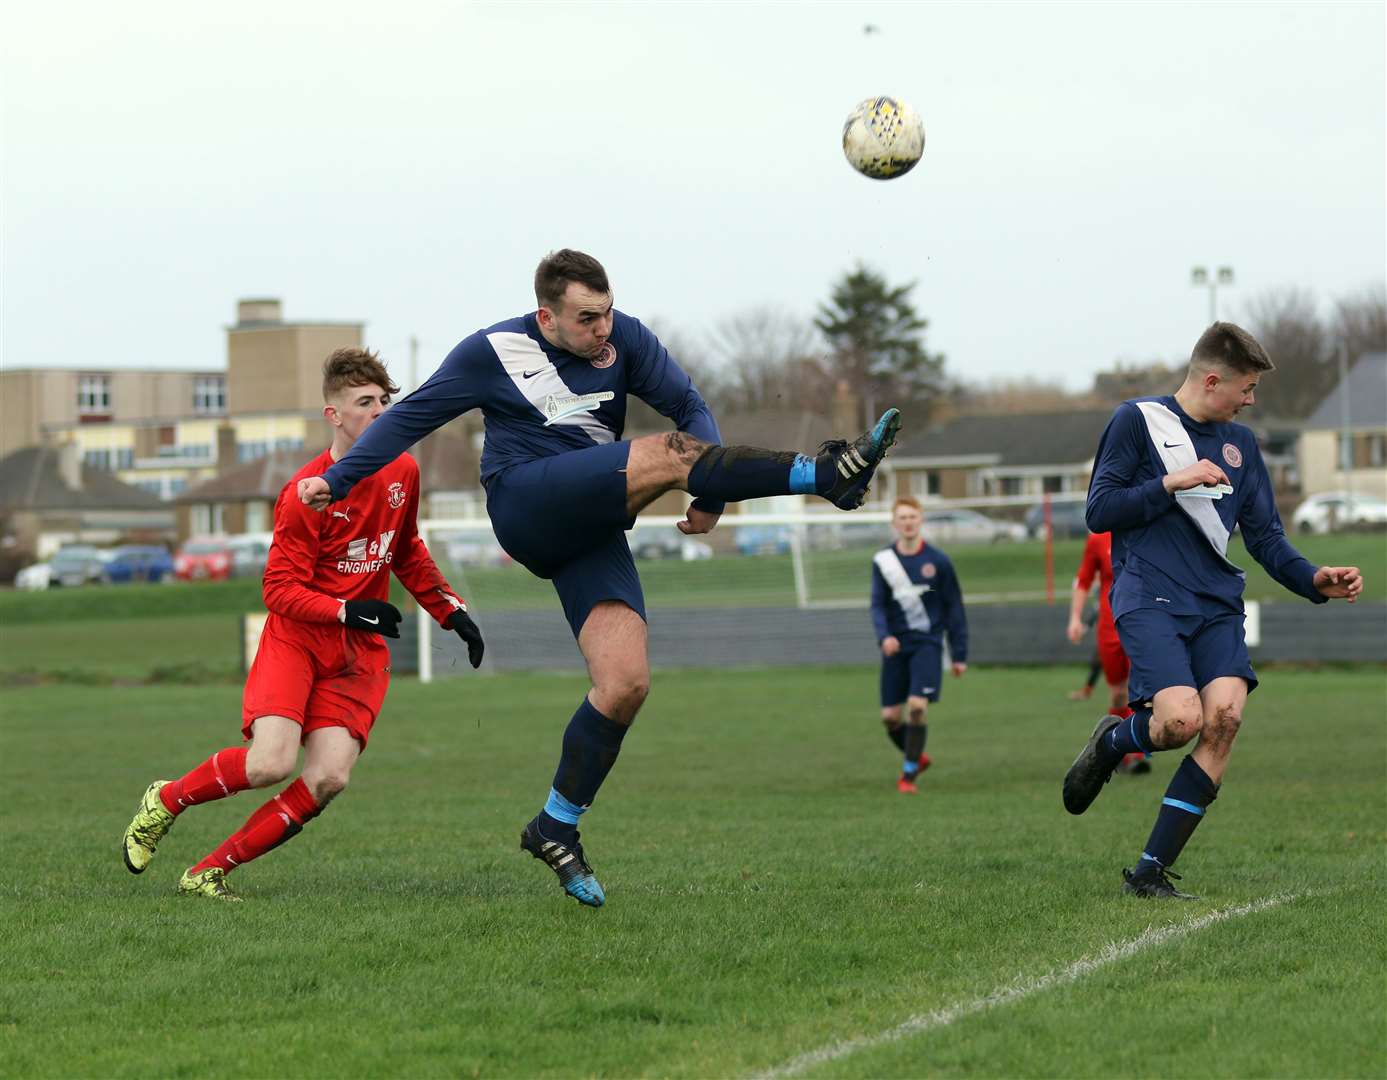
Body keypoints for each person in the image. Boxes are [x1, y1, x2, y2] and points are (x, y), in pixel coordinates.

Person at [296, 249, 902, 907]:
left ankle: (555, 824)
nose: (603, 329)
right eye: (587, 318)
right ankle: (827, 474)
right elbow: (407, 421)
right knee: (664, 455)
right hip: (526, 502)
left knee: (624, 683)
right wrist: (337, 478)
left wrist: (710, 494)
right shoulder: (490, 351)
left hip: (590, 523)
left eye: (607, 311)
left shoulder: (627, 339)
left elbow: (689, 407)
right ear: (546, 316)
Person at [121, 349, 485, 901]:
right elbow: (279, 591)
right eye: (365, 403)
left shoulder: (403, 471)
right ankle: (166, 800)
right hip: (299, 641)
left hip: (358, 654)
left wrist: (450, 609)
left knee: (329, 777)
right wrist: (346, 608)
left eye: (386, 402)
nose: (380, 412)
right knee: (270, 763)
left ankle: (208, 873)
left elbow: (404, 547)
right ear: (333, 415)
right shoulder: (306, 492)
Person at [1062, 322, 1362, 899]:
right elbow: (1099, 511)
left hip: (1216, 603)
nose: (1251, 401)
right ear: (1212, 379)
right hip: (1149, 594)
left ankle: (1149, 873)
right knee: (1179, 723)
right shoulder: (1137, 422)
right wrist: (1171, 482)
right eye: (1246, 389)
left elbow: (1267, 538)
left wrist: (1314, 579)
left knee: (1223, 719)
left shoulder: (1241, 446)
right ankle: (1111, 743)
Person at [869, 496, 968, 794]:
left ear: (921, 520)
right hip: (895, 646)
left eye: (913, 517)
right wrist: (884, 636)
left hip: (927, 643)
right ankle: (917, 756)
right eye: (903, 518)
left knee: (916, 707)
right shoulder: (883, 561)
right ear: (894, 523)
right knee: (889, 717)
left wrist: (960, 653)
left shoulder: (938, 561)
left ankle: (908, 774)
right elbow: (877, 605)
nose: (908, 522)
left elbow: (954, 607)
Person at [1066, 530, 1150, 775]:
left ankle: (1133, 754)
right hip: (1109, 627)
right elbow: (1083, 580)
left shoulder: (1145, 529)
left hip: (1141, 622)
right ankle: (1117, 749)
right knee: (1118, 694)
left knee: (1141, 690)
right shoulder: (1098, 539)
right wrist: (1074, 619)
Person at [1065, 602, 1102, 701]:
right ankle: (1087, 691)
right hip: (1111, 635)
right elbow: (1095, 615)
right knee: (1097, 661)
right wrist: (1082, 631)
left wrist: (1082, 631)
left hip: (1121, 634)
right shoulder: (1103, 600)